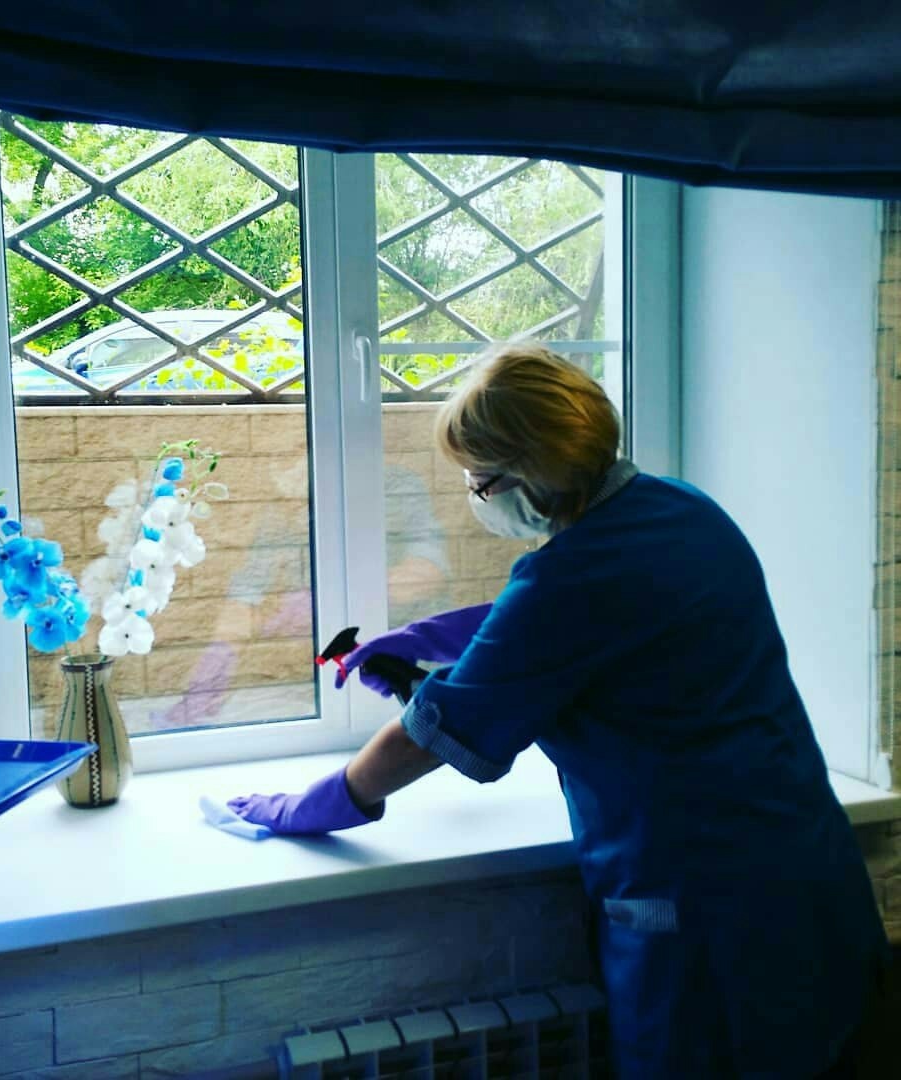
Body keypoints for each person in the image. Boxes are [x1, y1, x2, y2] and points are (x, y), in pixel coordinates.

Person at [227, 343, 890, 1079]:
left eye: (480, 481)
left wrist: (311, 807)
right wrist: (428, 640)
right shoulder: (683, 509)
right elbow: (572, 620)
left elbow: (431, 734)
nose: (476, 496)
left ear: (531, 473)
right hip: (807, 864)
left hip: (704, 911)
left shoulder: (568, 579)